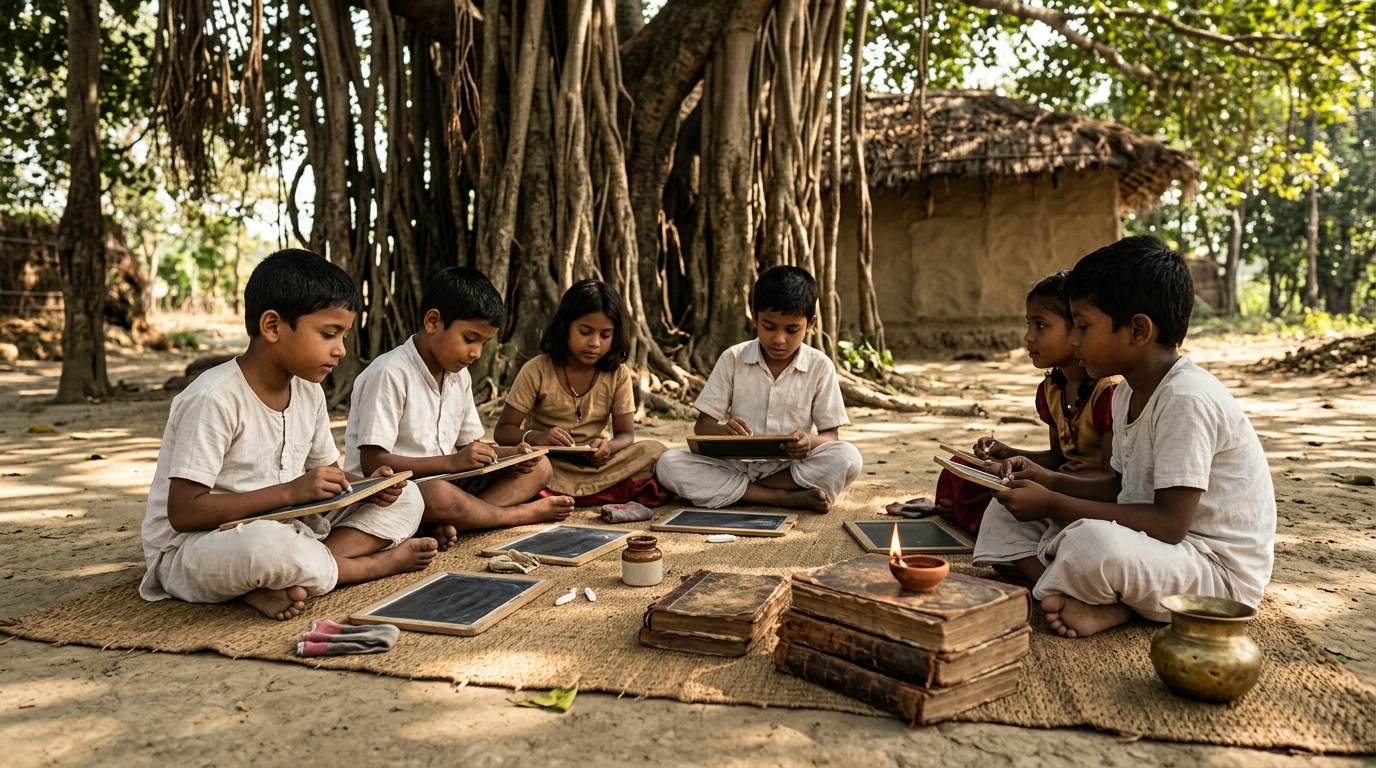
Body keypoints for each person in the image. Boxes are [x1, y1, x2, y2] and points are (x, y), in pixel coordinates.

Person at [974, 236, 1276, 638]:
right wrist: (1044, 480)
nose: (1075, 340)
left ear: (1137, 330)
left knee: (1093, 544)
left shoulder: (1186, 399)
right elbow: (1119, 487)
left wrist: (1053, 502)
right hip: (1153, 545)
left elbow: (1170, 525)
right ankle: (1091, 594)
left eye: (1083, 326)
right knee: (1003, 511)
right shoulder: (1128, 391)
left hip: (1212, 570)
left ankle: (1093, 595)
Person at [140, 249, 436, 621]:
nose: (341, 350)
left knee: (409, 497)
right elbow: (183, 513)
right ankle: (367, 567)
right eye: (329, 334)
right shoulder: (213, 398)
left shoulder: (309, 391)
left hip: (290, 526)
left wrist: (369, 487)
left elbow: (331, 478)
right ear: (273, 326)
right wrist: (290, 492)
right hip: (198, 546)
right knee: (266, 547)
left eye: (343, 335)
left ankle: (283, 577)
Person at [344, 267, 572, 551]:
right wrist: (452, 463)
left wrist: (512, 455)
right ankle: (512, 516)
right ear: (433, 321)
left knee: (540, 466)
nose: (476, 353)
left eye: (484, 343)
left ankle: (453, 520)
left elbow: (471, 449)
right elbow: (373, 463)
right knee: (439, 495)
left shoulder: (458, 375)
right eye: (470, 338)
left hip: (449, 482)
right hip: (399, 492)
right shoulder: (390, 372)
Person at [655, 265, 863, 513]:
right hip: (734, 465)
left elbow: (831, 437)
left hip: (790, 470)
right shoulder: (733, 358)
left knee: (848, 457)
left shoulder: (820, 366)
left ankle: (745, 492)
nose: (779, 339)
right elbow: (702, 426)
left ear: (810, 323)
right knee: (668, 463)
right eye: (769, 326)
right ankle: (779, 498)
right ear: (754, 317)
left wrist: (809, 442)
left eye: (791, 329)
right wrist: (724, 431)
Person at [937, 271, 1116, 535]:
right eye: (1028, 325)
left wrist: (1040, 480)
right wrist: (1009, 453)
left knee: (1006, 498)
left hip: (1087, 495)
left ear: (1077, 327)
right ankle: (971, 515)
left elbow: (1111, 479)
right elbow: (1058, 456)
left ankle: (973, 518)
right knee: (961, 466)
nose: (1028, 337)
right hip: (1054, 480)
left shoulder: (1108, 392)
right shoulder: (1052, 389)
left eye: (1040, 325)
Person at [493, 280, 669, 506]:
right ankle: (600, 494)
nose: (595, 343)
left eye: (605, 335)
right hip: (551, 465)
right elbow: (503, 431)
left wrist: (608, 448)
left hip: (598, 466)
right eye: (585, 332)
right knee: (531, 465)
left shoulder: (618, 373)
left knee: (655, 450)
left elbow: (626, 435)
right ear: (565, 326)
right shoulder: (536, 369)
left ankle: (563, 496)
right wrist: (538, 437)